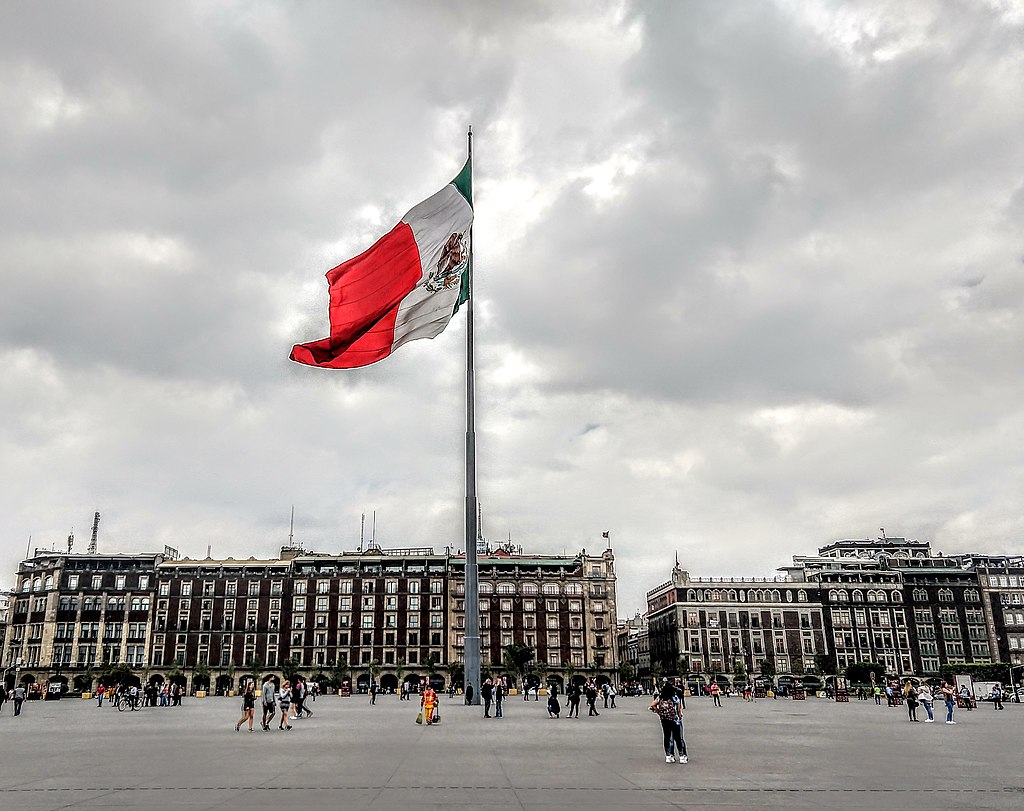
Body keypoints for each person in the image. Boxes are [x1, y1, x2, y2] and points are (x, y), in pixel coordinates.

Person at [650, 683, 687, 764]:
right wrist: (680, 716)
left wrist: (659, 712)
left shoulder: (661, 697)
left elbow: (652, 705)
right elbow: (678, 710)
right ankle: (682, 756)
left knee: (667, 737)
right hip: (675, 720)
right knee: (678, 738)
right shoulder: (675, 697)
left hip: (664, 720)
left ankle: (669, 756)